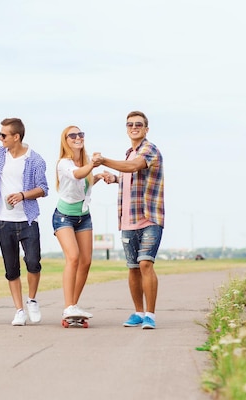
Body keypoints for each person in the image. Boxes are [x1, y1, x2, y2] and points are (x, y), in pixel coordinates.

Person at [92, 110, 164, 329]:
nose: (134, 127)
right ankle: (138, 312)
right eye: (130, 124)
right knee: (133, 267)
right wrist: (114, 178)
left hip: (149, 217)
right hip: (127, 220)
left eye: (138, 124)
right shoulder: (128, 153)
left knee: (145, 263)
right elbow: (129, 175)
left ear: (146, 129)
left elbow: (134, 167)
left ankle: (150, 315)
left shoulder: (149, 149)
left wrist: (104, 160)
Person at [0, 118, 49, 326]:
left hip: (27, 219)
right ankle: (19, 310)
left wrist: (23, 195)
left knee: (33, 262)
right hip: (3, 220)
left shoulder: (35, 160)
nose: (0, 138)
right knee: (11, 268)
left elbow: (43, 189)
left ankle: (32, 300)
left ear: (16, 137)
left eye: (3, 135)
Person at [53, 125, 106, 320]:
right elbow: (77, 175)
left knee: (86, 261)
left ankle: (72, 305)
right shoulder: (64, 163)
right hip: (63, 216)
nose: (78, 137)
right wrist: (93, 165)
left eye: (80, 134)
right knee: (73, 257)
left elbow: (82, 184)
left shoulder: (84, 162)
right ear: (65, 140)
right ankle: (69, 306)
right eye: (72, 135)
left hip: (84, 216)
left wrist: (98, 176)